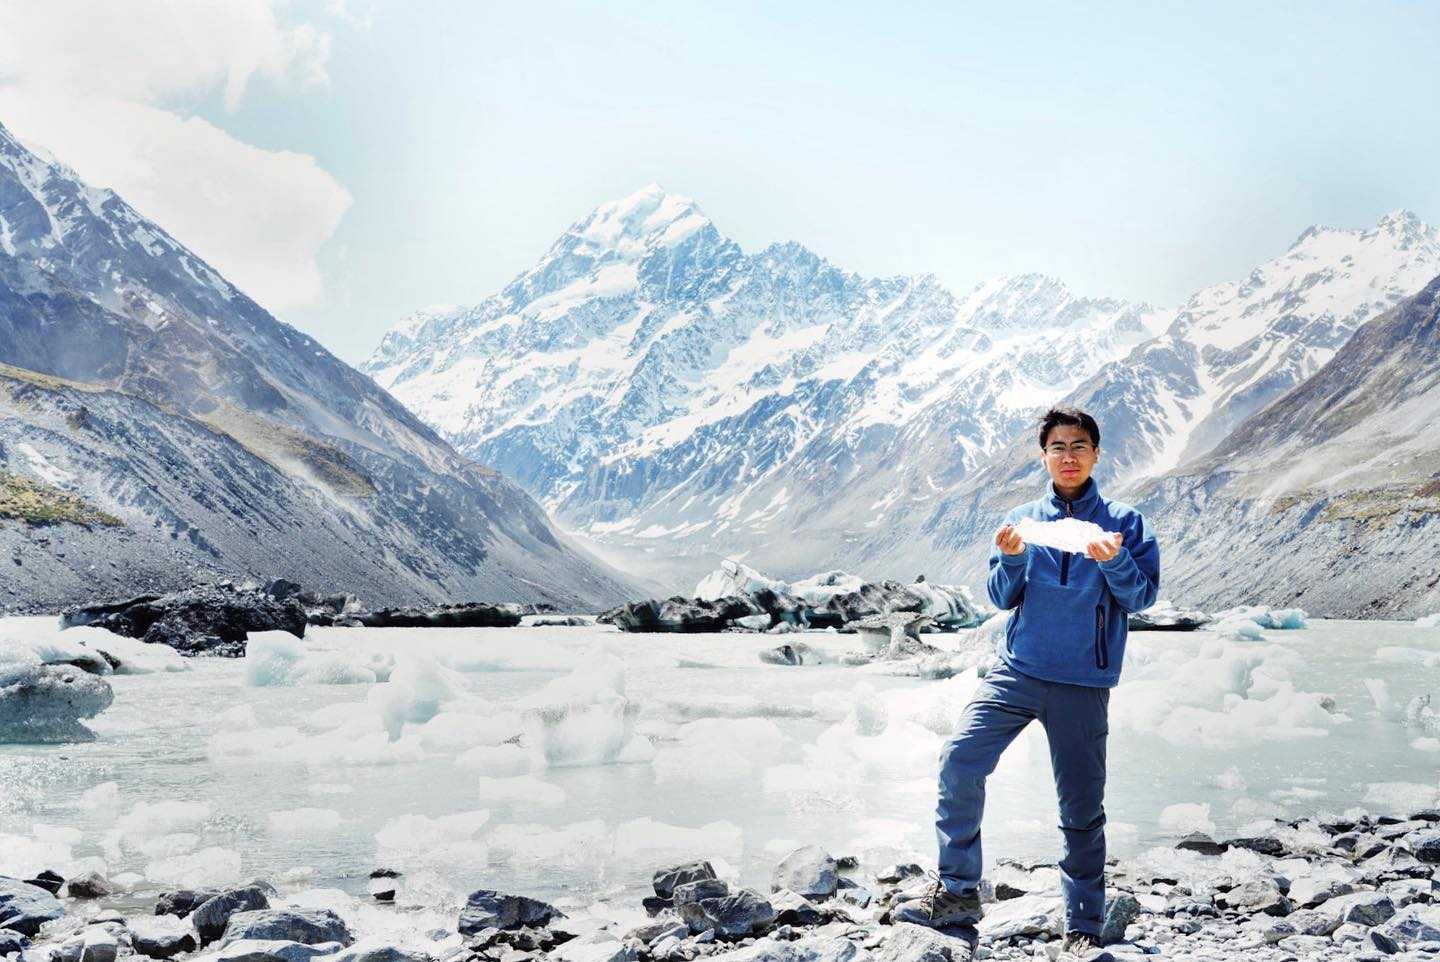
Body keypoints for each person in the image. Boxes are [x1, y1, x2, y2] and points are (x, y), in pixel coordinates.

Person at [889, 407, 1160, 957]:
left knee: (1080, 806)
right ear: (1043, 455)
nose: (1068, 456)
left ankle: (1083, 922)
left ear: (1096, 454)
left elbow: (1142, 598)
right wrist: (1011, 559)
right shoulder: (1023, 519)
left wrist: (1114, 562)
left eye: (1079, 445)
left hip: (1082, 682)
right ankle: (958, 892)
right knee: (960, 761)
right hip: (1015, 672)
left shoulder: (1126, 523)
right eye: (1057, 446)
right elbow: (1000, 596)